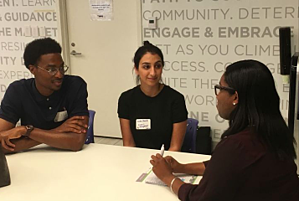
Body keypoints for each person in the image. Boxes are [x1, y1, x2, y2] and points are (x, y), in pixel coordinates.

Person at [150, 60, 299, 201]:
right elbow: (224, 167)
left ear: (235, 97)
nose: (218, 96)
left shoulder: (236, 146)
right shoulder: (273, 133)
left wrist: (168, 177)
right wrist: (181, 167)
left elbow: (199, 198)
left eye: (220, 88)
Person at [0, 38, 89, 153]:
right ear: (32, 69)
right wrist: (57, 130)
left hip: (67, 157)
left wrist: (27, 132)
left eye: (61, 67)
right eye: (51, 69)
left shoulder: (75, 86)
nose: (59, 74)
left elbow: (76, 142)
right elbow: (2, 146)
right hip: (32, 158)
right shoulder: (17, 91)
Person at [117, 41, 188, 151]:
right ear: (136, 69)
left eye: (157, 66)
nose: (153, 73)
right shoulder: (126, 99)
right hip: (136, 159)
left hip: (167, 160)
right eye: (146, 67)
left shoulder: (175, 99)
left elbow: (175, 147)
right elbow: (129, 145)